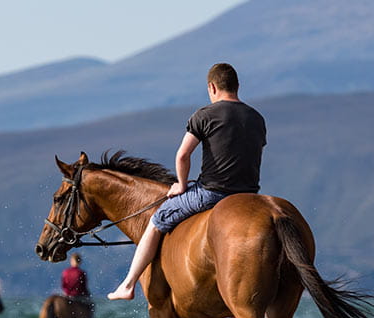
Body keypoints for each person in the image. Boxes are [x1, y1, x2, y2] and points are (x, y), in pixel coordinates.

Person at [108, 62, 266, 300]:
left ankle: (128, 285)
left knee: (158, 218)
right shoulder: (256, 118)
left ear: (212, 87)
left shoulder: (204, 115)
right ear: (237, 86)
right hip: (249, 195)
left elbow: (182, 155)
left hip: (212, 193)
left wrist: (181, 185)